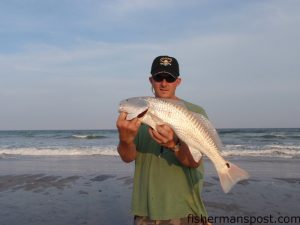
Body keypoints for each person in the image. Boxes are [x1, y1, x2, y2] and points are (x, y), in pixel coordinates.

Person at [116, 55, 211, 225]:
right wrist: (125, 140)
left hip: (186, 210)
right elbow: (127, 157)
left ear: (178, 81)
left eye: (170, 78)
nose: (164, 83)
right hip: (146, 211)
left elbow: (194, 162)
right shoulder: (137, 113)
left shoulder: (195, 112)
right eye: (159, 77)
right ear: (151, 80)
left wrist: (173, 145)